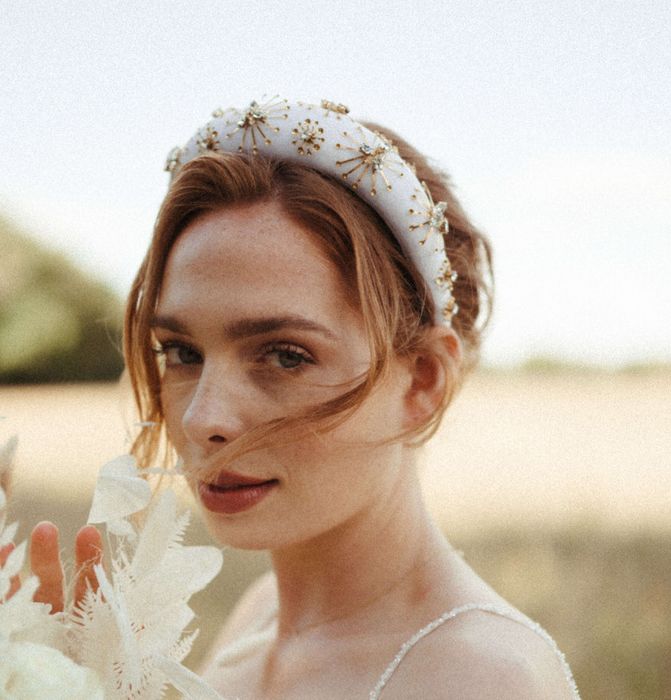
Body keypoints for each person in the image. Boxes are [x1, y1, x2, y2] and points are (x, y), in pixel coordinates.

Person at [29, 95, 579, 698]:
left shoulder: (480, 679)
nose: (204, 417)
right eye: (182, 352)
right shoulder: (258, 615)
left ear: (422, 381)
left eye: (286, 355)